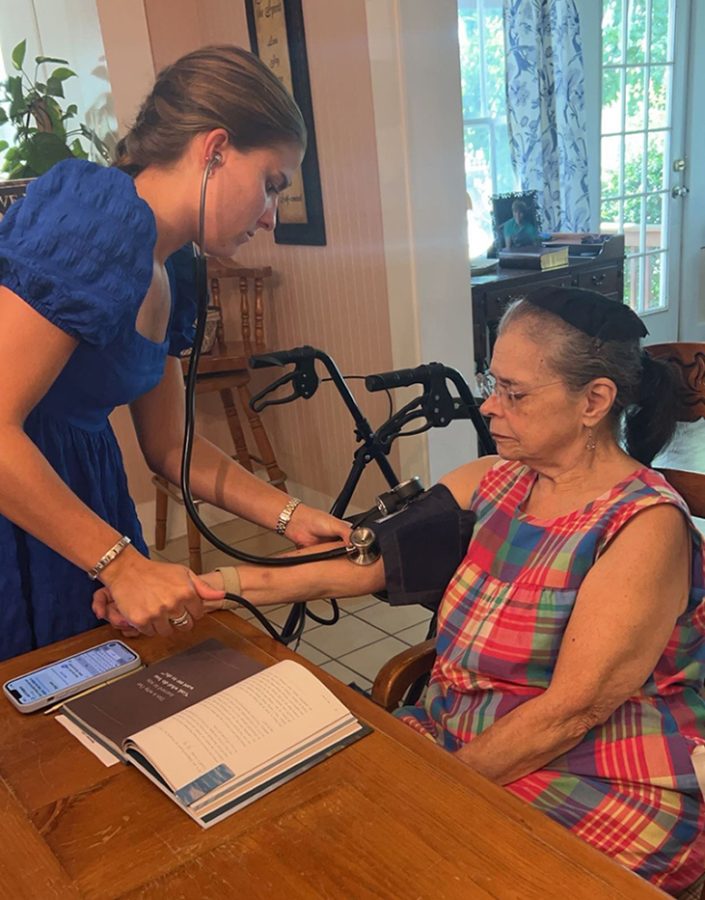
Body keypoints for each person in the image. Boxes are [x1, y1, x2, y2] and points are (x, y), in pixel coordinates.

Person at [98, 286, 705, 893]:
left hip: (605, 769)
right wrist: (204, 587)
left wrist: (429, 789)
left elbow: (573, 712)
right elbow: (364, 562)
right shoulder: (494, 480)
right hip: (465, 733)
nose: (488, 407)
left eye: (514, 394)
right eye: (490, 382)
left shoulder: (644, 525)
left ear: (594, 400)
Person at [0, 44, 350, 661]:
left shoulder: (173, 268)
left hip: (83, 495)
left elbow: (169, 447)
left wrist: (289, 514)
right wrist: (120, 563)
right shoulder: (97, 217)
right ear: (214, 149)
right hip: (22, 503)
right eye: (271, 186)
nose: (271, 217)